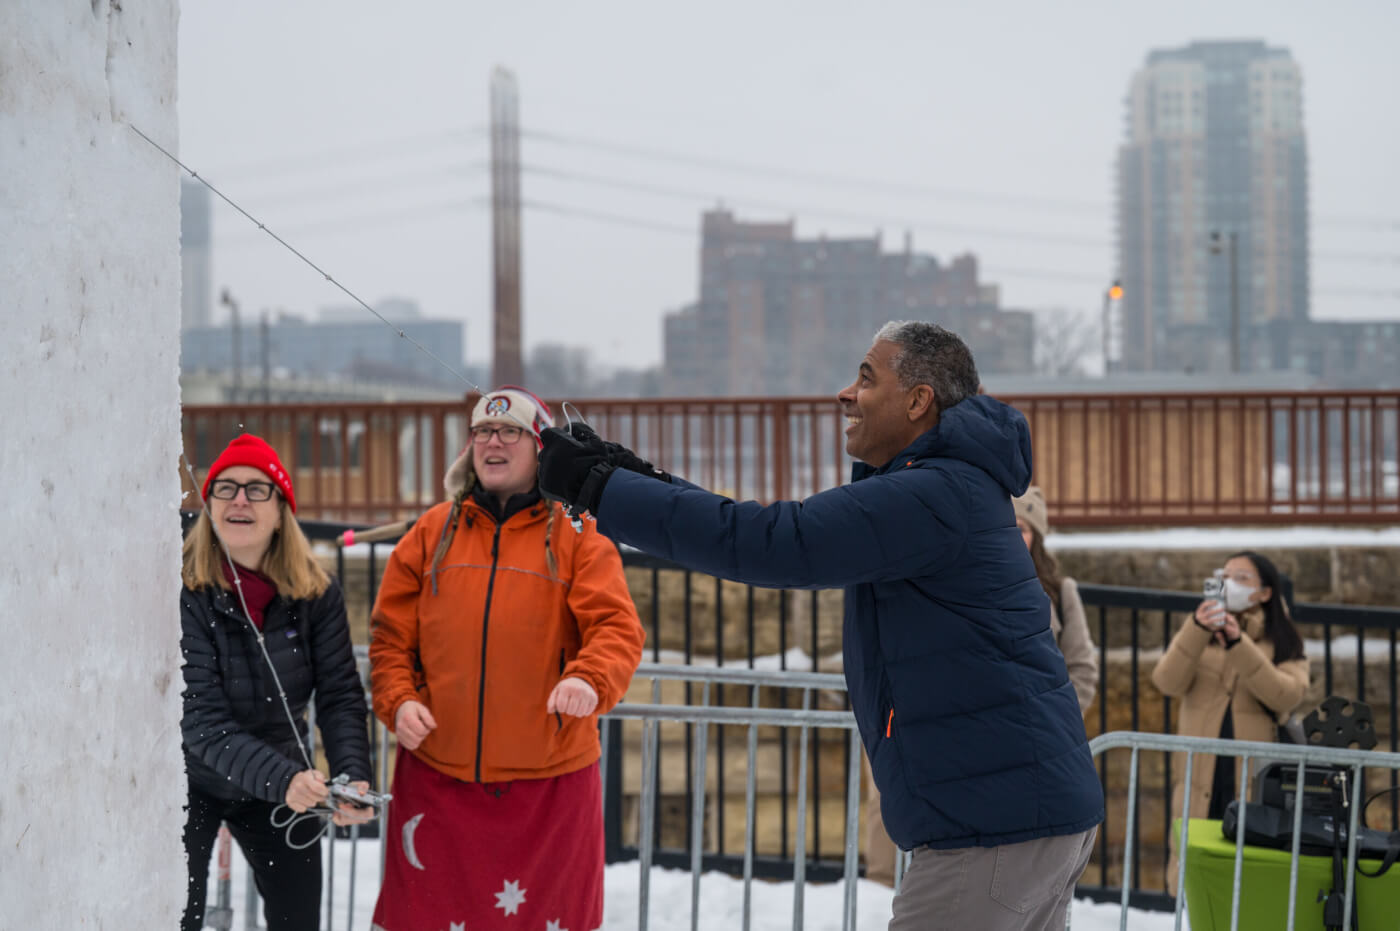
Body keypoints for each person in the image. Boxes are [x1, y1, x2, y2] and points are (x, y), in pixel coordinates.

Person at [538, 322, 1104, 930]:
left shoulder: (931, 495)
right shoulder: (946, 487)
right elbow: (756, 528)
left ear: (918, 401)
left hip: (993, 827)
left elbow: (771, 542)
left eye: (867, 377)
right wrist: (630, 476)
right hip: (1021, 815)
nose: (845, 393)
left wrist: (601, 488)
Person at [368, 386, 645, 931]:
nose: (493, 442)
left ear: (540, 446)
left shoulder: (577, 532)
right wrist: (397, 701)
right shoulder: (430, 534)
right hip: (438, 781)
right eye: (482, 432)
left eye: (510, 431)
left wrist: (590, 678)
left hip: (548, 790)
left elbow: (615, 627)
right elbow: (390, 640)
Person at [181, 434, 374, 931]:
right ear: (209, 505)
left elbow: (338, 695)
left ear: (282, 509)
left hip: (284, 785)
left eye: (256, 489)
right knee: (177, 913)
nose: (239, 499)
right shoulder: (183, 588)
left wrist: (351, 777)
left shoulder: (318, 594)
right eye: (225, 488)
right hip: (191, 781)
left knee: (298, 918)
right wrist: (285, 779)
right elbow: (199, 718)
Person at [1151, 550, 1308, 895]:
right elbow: (1166, 682)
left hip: (1252, 777)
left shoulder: (1282, 642)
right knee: (1196, 876)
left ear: (1265, 592)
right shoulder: (1198, 634)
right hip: (1199, 776)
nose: (1229, 584)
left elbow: (1286, 695)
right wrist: (1196, 629)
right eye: (1224, 576)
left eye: (1241, 578)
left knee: (1248, 880)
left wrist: (1239, 644)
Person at [1014, 486, 1098, 713]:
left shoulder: (1061, 592)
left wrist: (1059, 717)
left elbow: (1082, 670)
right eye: (1006, 527)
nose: (1012, 537)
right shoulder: (974, 589)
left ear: (1037, 538)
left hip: (1046, 732)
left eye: (1021, 529)